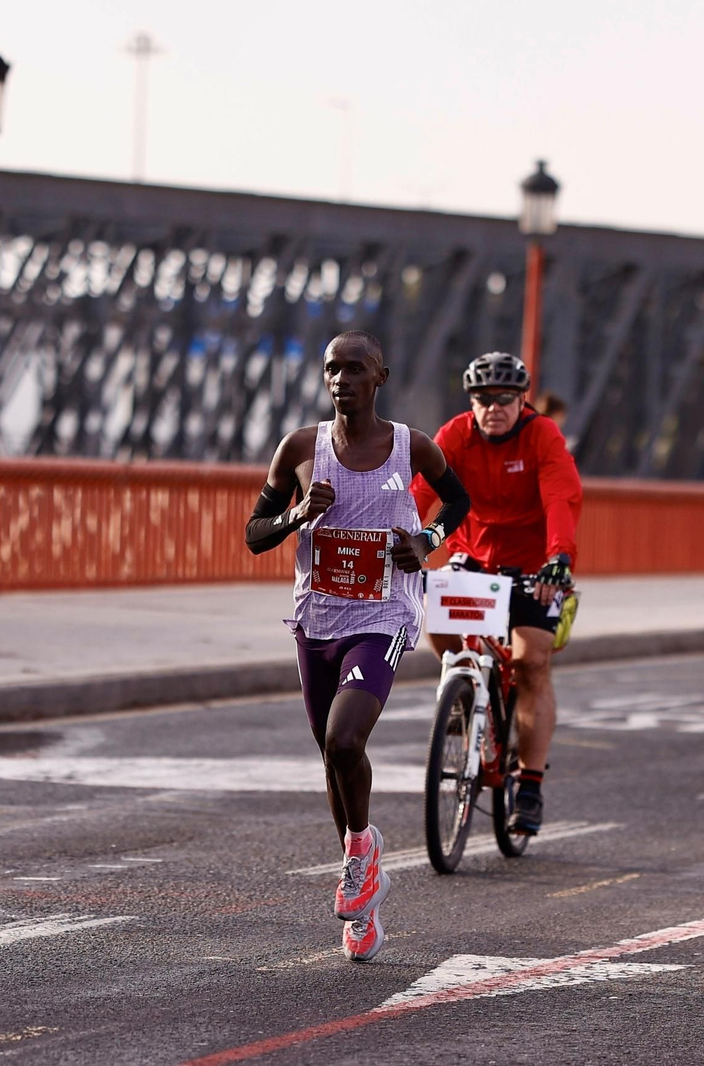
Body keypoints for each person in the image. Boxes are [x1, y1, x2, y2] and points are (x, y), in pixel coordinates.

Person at [245, 330, 469, 963]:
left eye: (355, 369)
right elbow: (254, 533)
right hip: (317, 619)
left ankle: (360, 854)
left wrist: (426, 540)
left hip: (385, 613)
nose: (341, 380)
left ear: (381, 377)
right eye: (331, 370)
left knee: (347, 739)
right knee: (332, 758)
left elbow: (459, 502)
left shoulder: (411, 447)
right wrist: (295, 517)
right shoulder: (299, 449)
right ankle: (364, 888)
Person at [411, 352, 583, 837]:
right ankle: (463, 695)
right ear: (472, 403)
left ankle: (529, 785)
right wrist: (397, 539)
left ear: (522, 400)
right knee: (440, 622)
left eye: (504, 399)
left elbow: (561, 498)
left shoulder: (542, 435)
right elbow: (421, 492)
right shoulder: (454, 435)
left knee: (532, 663)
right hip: (474, 558)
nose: (493, 408)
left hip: (536, 567)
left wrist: (559, 557)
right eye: (483, 400)